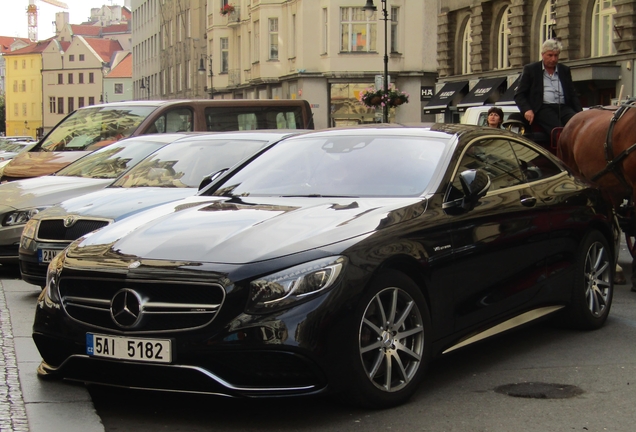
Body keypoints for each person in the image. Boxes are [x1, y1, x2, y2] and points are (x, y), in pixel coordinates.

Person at [514, 39, 582, 140]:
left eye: (556, 55)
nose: (553, 59)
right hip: (542, 107)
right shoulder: (531, 69)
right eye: (550, 55)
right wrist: (527, 110)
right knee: (559, 131)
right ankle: (561, 154)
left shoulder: (564, 70)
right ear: (542, 54)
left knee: (578, 125)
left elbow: (572, 94)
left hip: (563, 107)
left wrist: (580, 113)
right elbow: (519, 94)